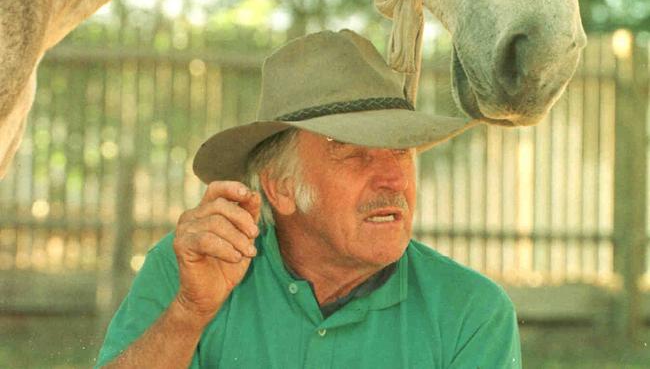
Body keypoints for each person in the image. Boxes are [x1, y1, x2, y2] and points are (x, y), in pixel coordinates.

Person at [95, 30, 522, 368]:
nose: (393, 179)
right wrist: (189, 313)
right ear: (280, 187)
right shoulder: (190, 270)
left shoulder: (471, 312)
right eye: (353, 153)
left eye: (401, 151)